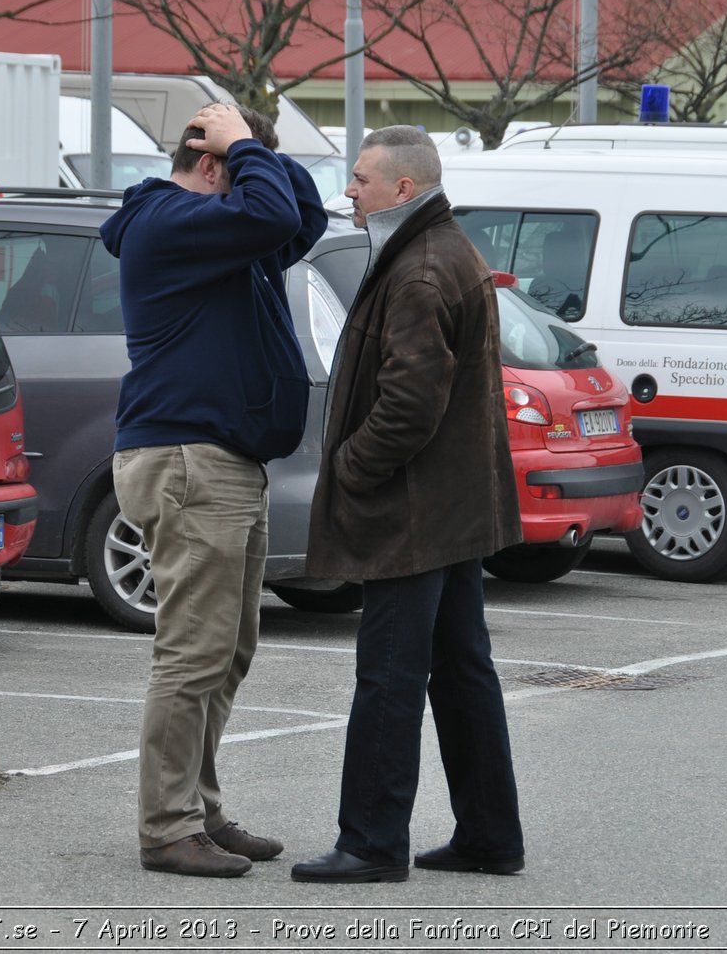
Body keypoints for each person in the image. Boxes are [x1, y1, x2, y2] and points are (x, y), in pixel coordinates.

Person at [290, 125, 526, 884]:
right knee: (461, 668)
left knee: (390, 678)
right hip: (453, 510)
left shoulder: (420, 267)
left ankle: (371, 841)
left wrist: (351, 466)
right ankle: (489, 835)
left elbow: (408, 406)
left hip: (415, 515)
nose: (348, 191)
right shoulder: (443, 248)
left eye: (360, 179)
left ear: (402, 189)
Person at [101, 103, 328, 878]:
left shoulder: (220, 230)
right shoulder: (169, 223)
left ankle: (198, 809)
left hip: (224, 460)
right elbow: (269, 209)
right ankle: (167, 826)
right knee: (191, 654)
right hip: (188, 460)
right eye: (239, 162)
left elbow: (300, 218)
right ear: (210, 168)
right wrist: (240, 149)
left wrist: (255, 145)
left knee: (227, 651)